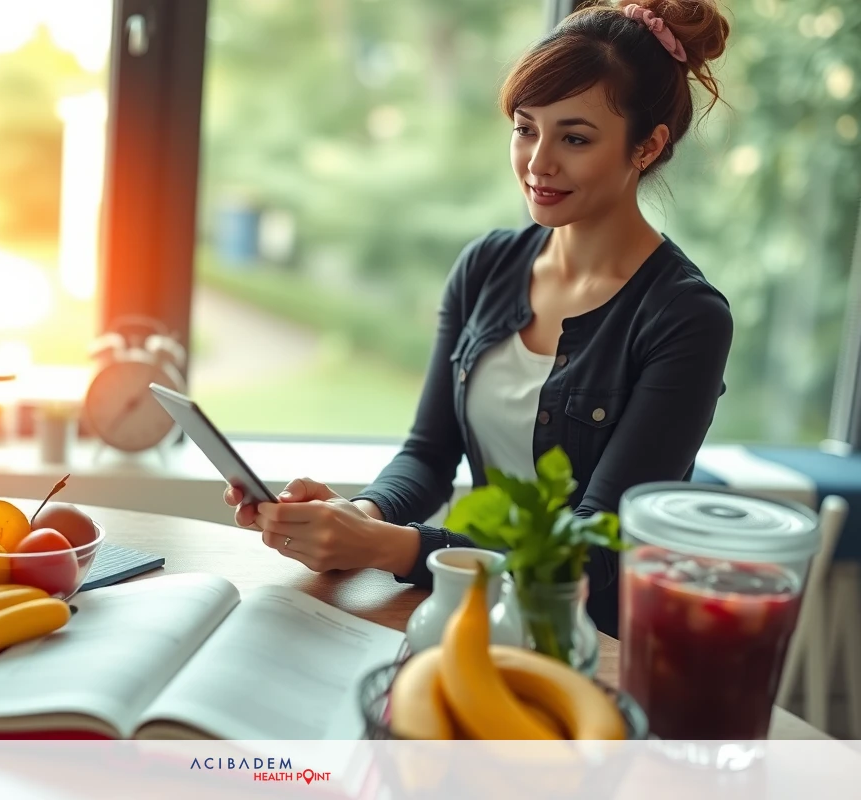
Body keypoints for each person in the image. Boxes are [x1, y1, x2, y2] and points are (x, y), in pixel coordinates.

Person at [223, 0, 734, 638]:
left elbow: (586, 556)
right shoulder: (487, 266)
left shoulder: (686, 317)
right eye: (525, 128)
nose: (539, 162)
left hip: (591, 643)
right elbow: (430, 454)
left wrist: (385, 546)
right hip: (461, 613)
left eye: (574, 138)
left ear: (648, 146)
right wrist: (356, 514)